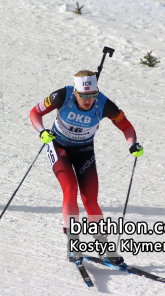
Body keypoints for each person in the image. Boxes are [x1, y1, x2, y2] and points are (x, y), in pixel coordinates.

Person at [29, 70, 143, 265]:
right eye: (84, 96)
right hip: (59, 146)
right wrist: (42, 132)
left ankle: (103, 246)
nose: (88, 100)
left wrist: (132, 144)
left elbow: (127, 126)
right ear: (75, 92)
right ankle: (73, 244)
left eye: (92, 95)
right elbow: (35, 112)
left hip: (84, 151)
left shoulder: (104, 104)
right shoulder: (62, 96)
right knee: (70, 189)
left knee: (90, 199)